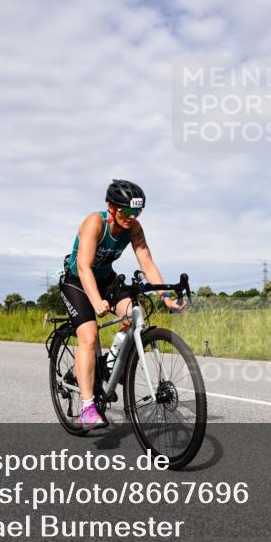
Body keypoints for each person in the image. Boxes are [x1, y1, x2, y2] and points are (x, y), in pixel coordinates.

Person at [60, 179, 184, 430]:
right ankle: (87, 406)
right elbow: (84, 266)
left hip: (105, 279)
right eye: (127, 211)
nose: (132, 217)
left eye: (137, 212)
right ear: (111, 207)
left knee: (134, 315)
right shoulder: (95, 223)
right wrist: (95, 301)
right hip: (76, 281)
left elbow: (147, 263)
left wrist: (166, 297)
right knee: (89, 335)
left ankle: (109, 363)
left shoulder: (134, 228)